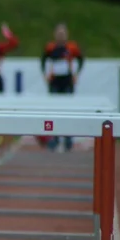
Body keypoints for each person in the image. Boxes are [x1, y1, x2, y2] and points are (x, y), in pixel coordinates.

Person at [42, 23, 84, 152]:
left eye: (63, 33)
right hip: (55, 82)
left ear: (67, 34)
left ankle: (68, 139)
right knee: (54, 111)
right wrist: (45, 74)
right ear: (55, 34)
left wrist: (76, 74)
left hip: (67, 82)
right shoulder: (51, 47)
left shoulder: (72, 47)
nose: (61, 35)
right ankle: (54, 139)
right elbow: (43, 60)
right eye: (59, 33)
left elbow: (81, 59)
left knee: (68, 111)